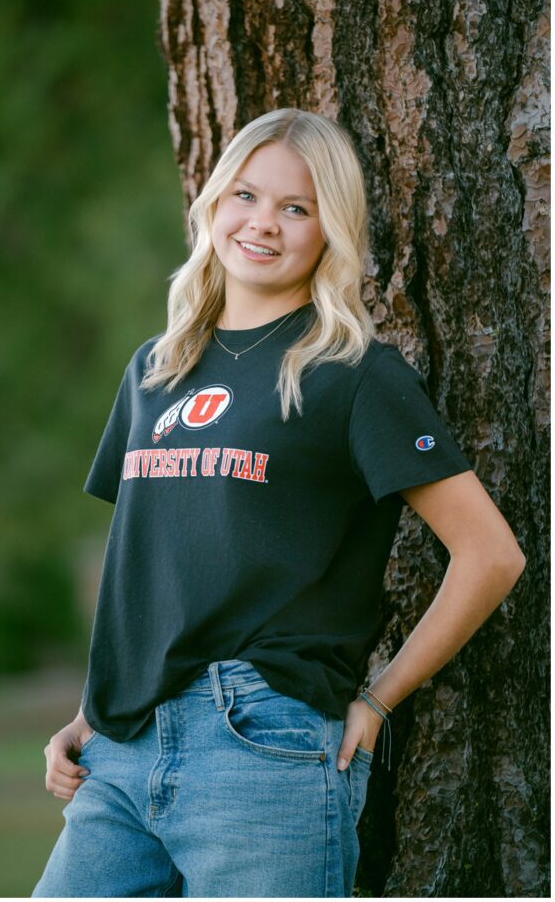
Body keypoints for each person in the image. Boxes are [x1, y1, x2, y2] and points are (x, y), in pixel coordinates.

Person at [31, 108, 525, 899]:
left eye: (296, 208)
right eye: (246, 196)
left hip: (261, 746)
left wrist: (377, 698)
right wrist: (92, 711)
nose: (264, 223)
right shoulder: (154, 370)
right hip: (120, 752)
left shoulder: (354, 373)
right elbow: (149, 560)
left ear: (331, 229)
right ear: (212, 205)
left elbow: (491, 556)